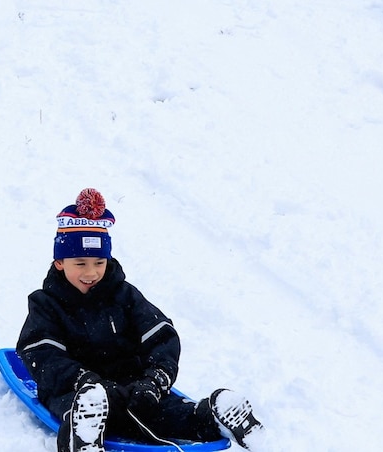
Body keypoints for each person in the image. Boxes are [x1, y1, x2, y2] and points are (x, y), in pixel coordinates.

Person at [16, 189, 264, 452]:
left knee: (164, 413)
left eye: (99, 262)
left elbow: (161, 333)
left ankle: (211, 414)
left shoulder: (124, 295)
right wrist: (83, 380)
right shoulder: (46, 303)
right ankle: (83, 438)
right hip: (79, 389)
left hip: (132, 385)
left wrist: (156, 379)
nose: (91, 273)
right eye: (80, 263)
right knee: (79, 406)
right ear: (60, 263)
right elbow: (41, 353)